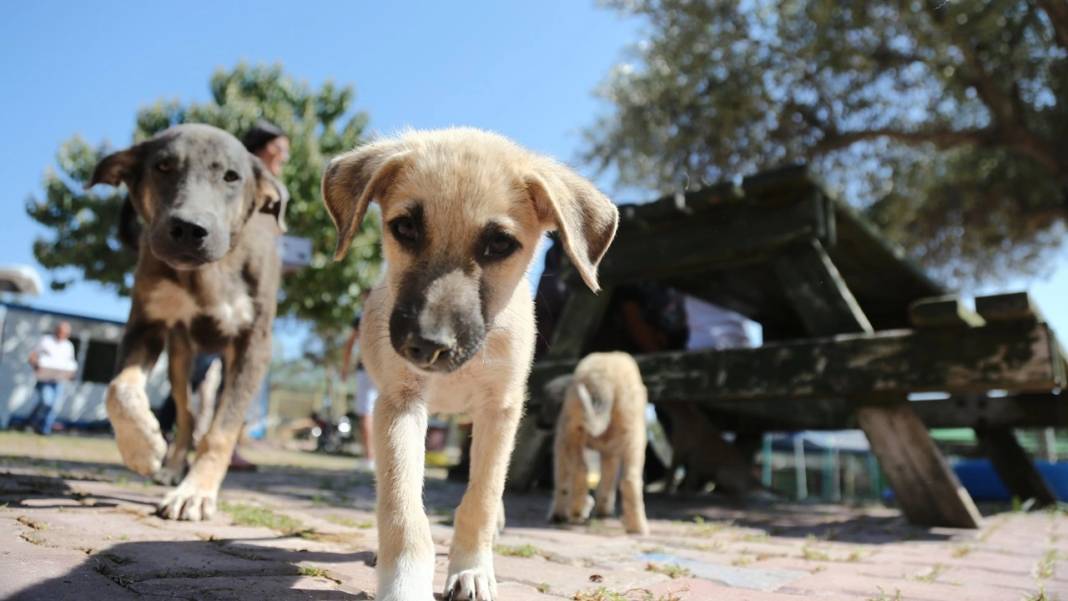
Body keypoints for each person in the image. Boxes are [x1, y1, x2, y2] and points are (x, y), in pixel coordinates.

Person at [341, 302, 378, 469]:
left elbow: (349, 344)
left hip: (367, 369)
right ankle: (376, 458)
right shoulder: (390, 312)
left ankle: (370, 457)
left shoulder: (362, 317)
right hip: (386, 370)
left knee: (365, 413)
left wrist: (345, 368)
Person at [27, 322, 78, 435]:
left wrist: (71, 374)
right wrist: (36, 365)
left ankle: (44, 430)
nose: (62, 335)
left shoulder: (68, 346)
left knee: (54, 406)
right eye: (61, 332)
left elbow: (70, 363)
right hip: (44, 379)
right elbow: (32, 356)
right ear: (56, 330)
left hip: (58, 380)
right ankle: (32, 422)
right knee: (46, 401)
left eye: (65, 333)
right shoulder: (46, 340)